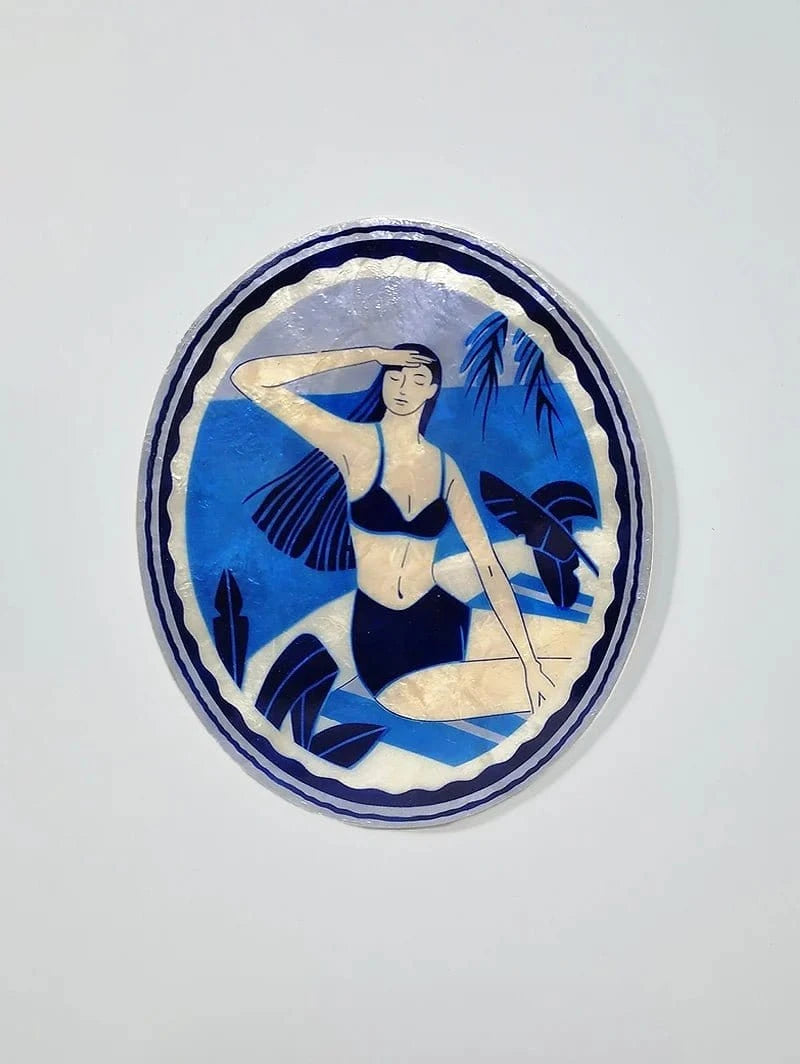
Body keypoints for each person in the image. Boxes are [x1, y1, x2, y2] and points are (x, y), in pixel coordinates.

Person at [232, 344, 555, 721]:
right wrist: (369, 353)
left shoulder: (444, 467)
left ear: (431, 390)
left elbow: (488, 566)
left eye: (417, 379)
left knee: (560, 666)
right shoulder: (354, 445)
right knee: (429, 701)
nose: (403, 387)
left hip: (443, 619)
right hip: (382, 638)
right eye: (394, 374)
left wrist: (529, 660)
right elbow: (249, 379)